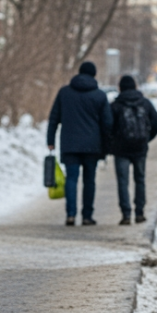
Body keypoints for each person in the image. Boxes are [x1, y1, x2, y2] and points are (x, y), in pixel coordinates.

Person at [47, 62, 112, 226]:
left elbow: (54, 117)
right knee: (89, 180)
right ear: (94, 75)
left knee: (71, 179)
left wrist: (50, 140)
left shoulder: (64, 93)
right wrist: (107, 145)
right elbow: (107, 123)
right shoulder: (99, 95)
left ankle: (70, 215)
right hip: (92, 145)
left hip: (70, 144)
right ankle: (87, 216)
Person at [109, 75, 157, 225]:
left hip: (121, 149)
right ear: (135, 86)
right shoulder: (145, 103)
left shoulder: (115, 105)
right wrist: (147, 138)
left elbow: (107, 126)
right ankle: (140, 213)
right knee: (140, 180)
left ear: (120, 88)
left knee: (122, 181)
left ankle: (126, 214)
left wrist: (113, 142)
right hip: (140, 147)